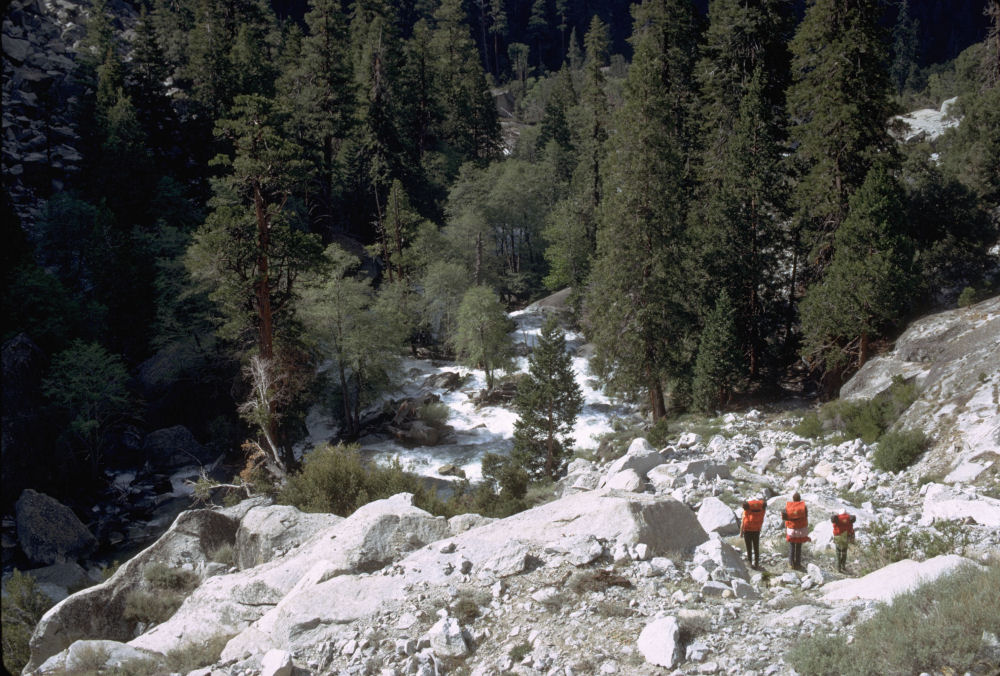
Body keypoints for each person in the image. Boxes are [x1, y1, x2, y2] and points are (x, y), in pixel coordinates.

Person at [781, 492, 809, 569]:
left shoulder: (788, 507)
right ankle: (798, 564)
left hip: (791, 529)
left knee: (792, 546)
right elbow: (806, 516)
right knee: (799, 547)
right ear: (800, 499)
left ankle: (791, 564)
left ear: (793, 499)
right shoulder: (803, 507)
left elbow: (784, 518)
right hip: (800, 530)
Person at [740, 498, 766, 569]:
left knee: (749, 548)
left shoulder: (747, 511)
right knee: (756, 547)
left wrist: (741, 532)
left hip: (747, 531)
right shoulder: (762, 510)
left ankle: (750, 564)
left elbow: (743, 521)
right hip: (756, 530)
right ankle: (756, 563)